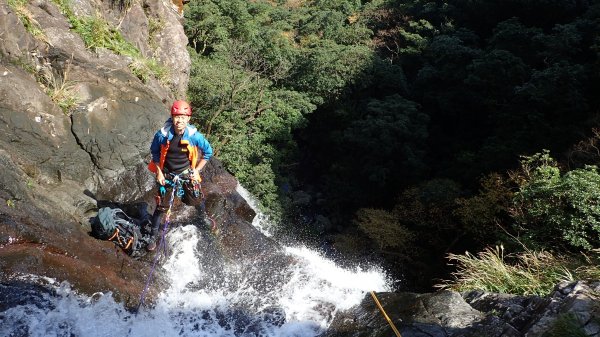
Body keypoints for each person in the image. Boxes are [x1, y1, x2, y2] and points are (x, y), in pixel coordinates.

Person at [146, 100, 213, 251]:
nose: (179, 120)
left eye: (183, 117)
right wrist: (158, 171)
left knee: (195, 198)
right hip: (167, 174)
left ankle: (203, 217)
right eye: (177, 117)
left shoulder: (194, 136)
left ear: (188, 119)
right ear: (172, 117)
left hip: (186, 173)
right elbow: (155, 153)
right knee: (161, 207)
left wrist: (196, 170)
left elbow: (208, 152)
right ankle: (153, 236)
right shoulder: (162, 135)